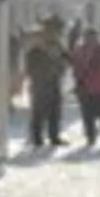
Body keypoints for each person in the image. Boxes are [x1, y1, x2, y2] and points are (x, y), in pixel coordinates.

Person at [24, 18, 70, 150]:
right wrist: (42, 72)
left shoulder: (58, 45)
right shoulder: (36, 47)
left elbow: (67, 58)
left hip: (54, 81)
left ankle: (54, 135)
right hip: (40, 83)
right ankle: (37, 137)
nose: (53, 34)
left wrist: (61, 66)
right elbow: (30, 65)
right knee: (38, 111)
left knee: (55, 110)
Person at [70, 24, 100, 148]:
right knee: (87, 116)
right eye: (88, 38)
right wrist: (78, 78)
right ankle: (91, 137)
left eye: (93, 38)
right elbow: (76, 67)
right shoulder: (79, 51)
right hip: (85, 88)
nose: (91, 41)